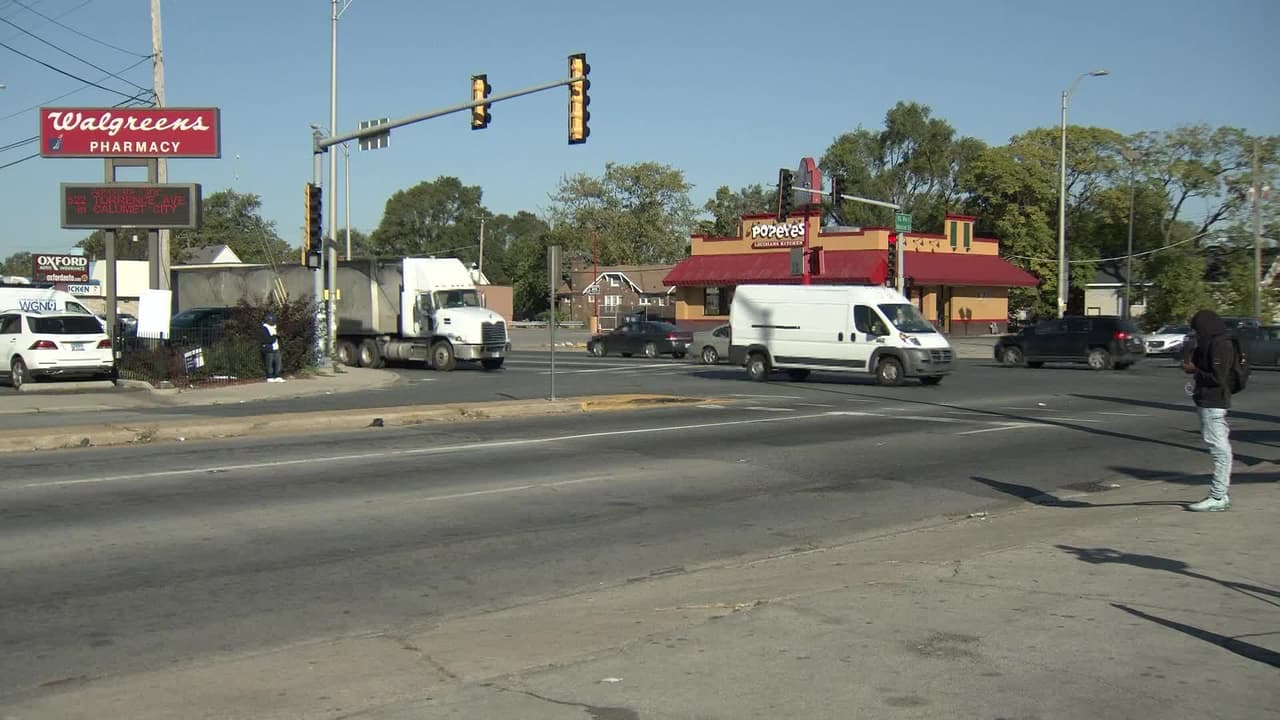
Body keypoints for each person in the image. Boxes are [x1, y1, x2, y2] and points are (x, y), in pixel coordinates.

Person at [1181, 309, 1233, 511]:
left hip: (1214, 401)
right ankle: (1221, 495)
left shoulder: (1220, 345)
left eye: (1197, 330)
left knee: (1219, 449)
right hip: (1206, 400)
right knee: (1217, 447)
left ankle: (1218, 496)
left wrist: (1195, 370)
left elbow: (1218, 377)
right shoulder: (1208, 344)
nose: (1196, 334)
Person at [260, 311, 284, 383]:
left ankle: (278, 376)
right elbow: (267, 339)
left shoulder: (274, 327)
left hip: (276, 347)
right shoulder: (264, 328)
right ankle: (270, 376)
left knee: (278, 362)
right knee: (269, 363)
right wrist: (275, 336)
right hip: (269, 348)